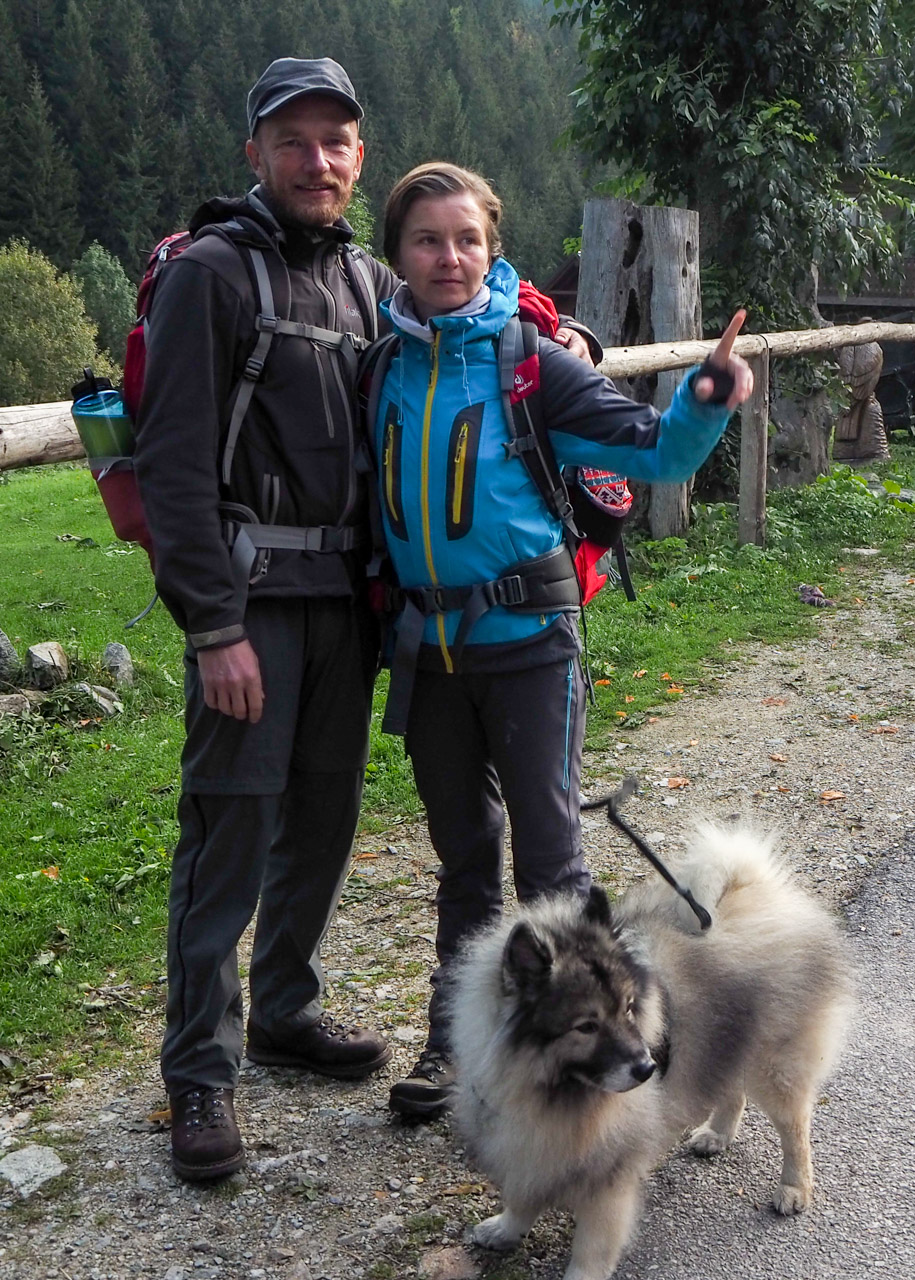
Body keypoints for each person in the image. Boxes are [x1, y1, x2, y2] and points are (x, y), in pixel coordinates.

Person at [133, 59, 594, 1183]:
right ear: (255, 153)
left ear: (360, 159)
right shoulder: (210, 274)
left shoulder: (358, 283)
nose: (316, 159)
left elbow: (469, 346)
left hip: (348, 608)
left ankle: (286, 1006)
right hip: (251, 607)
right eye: (292, 140)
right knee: (230, 828)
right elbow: (175, 469)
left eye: (336, 141)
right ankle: (199, 1069)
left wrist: (568, 343)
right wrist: (211, 626)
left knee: (323, 821)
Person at [358, 162, 754, 1119]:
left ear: (492, 248)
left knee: (549, 859)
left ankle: (601, 1051)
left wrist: (707, 396)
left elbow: (656, 449)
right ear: (397, 254)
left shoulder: (530, 362)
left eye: (467, 240)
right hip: (431, 652)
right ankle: (458, 1049)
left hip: (531, 641)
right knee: (462, 859)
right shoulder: (379, 364)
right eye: (426, 240)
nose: (448, 258)